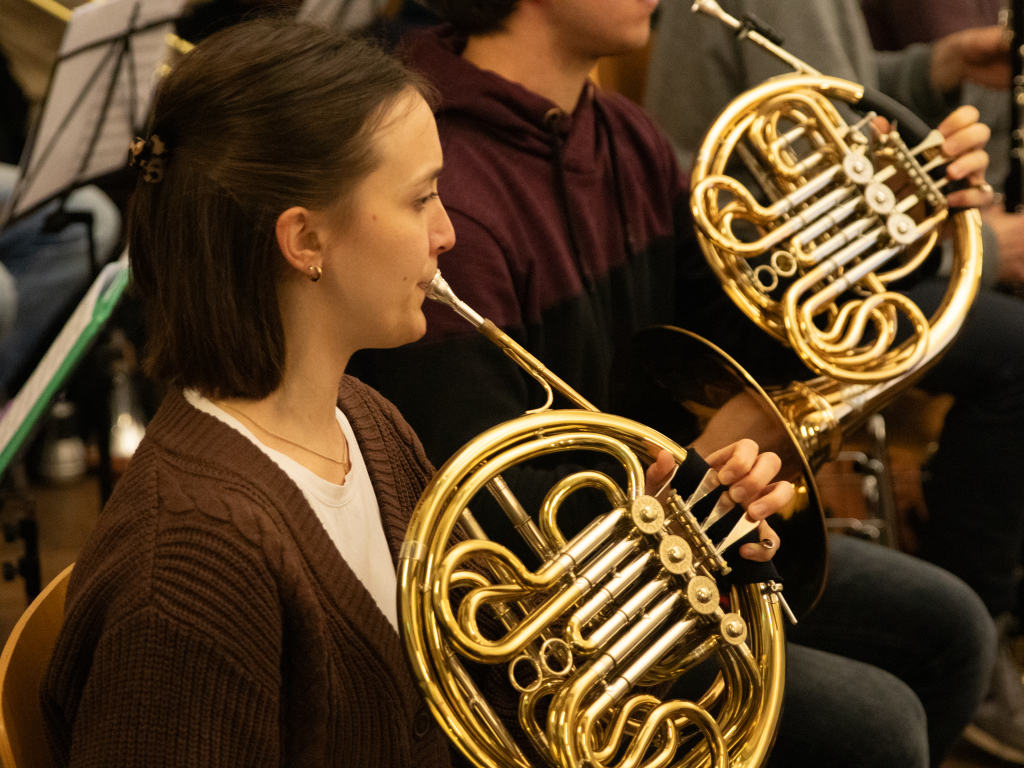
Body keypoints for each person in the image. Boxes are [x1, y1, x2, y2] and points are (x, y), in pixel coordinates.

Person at [38, 16, 795, 767]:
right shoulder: (187, 569)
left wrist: (669, 554)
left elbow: (502, 677)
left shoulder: (365, 424)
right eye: (421, 198)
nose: (448, 233)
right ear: (305, 241)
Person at [353, 1, 998, 765]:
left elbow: (749, 325)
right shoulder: (449, 190)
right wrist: (692, 479)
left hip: (678, 521)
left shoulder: (623, 134)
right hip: (565, 603)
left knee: (955, 628)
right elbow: (488, 503)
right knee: (878, 728)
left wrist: (904, 219)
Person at [645, 0, 1024, 758]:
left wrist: (934, 71)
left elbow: (836, 97)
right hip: (768, 279)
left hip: (818, 266)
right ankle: (988, 636)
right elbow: (810, 197)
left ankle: (988, 624)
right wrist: (972, 244)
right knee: (1018, 355)